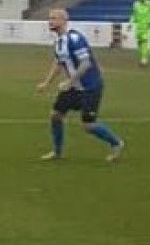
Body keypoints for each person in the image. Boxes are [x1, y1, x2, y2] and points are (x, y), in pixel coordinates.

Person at [35, 9, 124, 161]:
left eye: (54, 18)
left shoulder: (75, 39)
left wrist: (69, 82)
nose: (50, 21)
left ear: (64, 21)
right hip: (74, 87)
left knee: (88, 126)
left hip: (90, 87)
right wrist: (47, 83)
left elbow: (85, 63)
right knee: (55, 116)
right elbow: (58, 62)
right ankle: (58, 152)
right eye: (49, 18)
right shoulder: (58, 41)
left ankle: (116, 143)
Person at [129, 0, 150, 67]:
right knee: (139, 44)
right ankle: (142, 58)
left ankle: (144, 60)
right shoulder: (136, 4)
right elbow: (133, 14)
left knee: (144, 43)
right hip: (138, 27)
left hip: (146, 26)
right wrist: (130, 23)